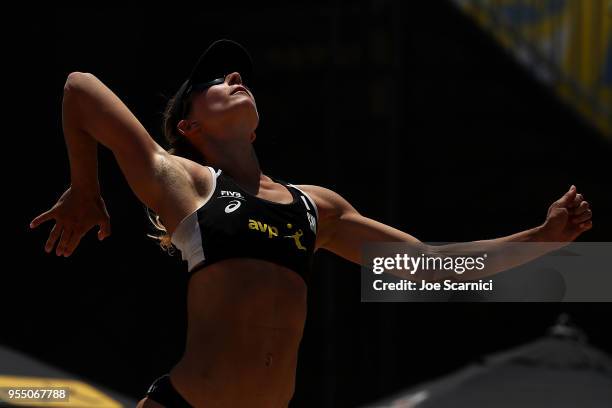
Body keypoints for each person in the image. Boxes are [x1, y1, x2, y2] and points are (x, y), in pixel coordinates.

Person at [29, 39, 593, 407]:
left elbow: (429, 269)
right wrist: (85, 190)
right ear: (188, 125)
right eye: (214, 81)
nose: (232, 76)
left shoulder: (315, 207)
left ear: (255, 129)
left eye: (238, 75)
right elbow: (79, 87)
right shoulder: (184, 182)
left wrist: (541, 239)